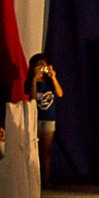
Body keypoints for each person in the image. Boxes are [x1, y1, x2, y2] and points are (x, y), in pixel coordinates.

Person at [24, 54, 63, 187]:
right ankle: (33, 181)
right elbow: (32, 97)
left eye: (43, 65)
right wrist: (34, 79)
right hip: (34, 119)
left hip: (48, 120)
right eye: (38, 66)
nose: (42, 69)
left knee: (46, 152)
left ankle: (46, 181)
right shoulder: (30, 81)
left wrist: (53, 77)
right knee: (32, 151)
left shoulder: (50, 82)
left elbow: (60, 93)